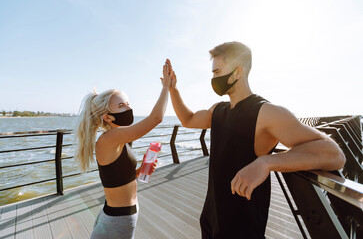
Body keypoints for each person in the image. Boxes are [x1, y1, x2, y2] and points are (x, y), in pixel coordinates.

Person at [166, 42, 346, 238]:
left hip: (243, 228)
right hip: (211, 219)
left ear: (237, 72)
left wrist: (267, 162)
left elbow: (334, 154)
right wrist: (172, 89)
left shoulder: (266, 112)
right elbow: (188, 119)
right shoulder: (218, 110)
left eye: (217, 72)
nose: (214, 79)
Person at [74, 61, 174, 239]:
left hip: (123, 216)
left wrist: (139, 170)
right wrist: (166, 86)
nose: (129, 108)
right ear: (107, 117)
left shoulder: (121, 139)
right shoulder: (108, 139)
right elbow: (156, 118)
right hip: (117, 220)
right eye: (121, 106)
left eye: (128, 103)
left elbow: (117, 178)